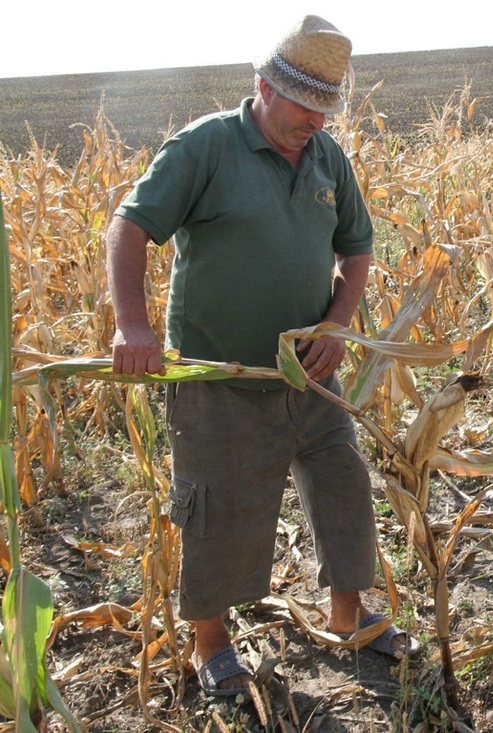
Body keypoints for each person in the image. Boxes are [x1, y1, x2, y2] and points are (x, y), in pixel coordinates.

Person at [106, 14, 411, 698]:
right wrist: (134, 325)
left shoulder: (328, 158)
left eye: (325, 109)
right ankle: (210, 643)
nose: (315, 121)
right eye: (304, 106)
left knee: (343, 484)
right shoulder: (206, 147)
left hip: (308, 375)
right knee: (216, 510)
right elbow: (129, 227)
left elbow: (356, 252)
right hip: (221, 376)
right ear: (264, 86)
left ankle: (347, 615)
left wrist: (335, 325)